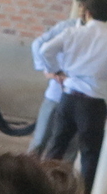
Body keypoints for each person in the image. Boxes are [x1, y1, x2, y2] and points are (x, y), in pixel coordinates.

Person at [36, 0, 107, 189]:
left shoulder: (72, 32)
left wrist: (56, 70)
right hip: (94, 103)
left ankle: (42, 189)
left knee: (56, 147)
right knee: (90, 154)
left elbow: (44, 50)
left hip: (68, 97)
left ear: (87, 12)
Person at [29, 3, 84, 149]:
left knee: (70, 146)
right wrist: (49, 70)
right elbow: (38, 44)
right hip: (57, 92)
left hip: (81, 96)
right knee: (40, 139)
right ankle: (27, 170)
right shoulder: (67, 27)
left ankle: (60, 172)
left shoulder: (105, 35)